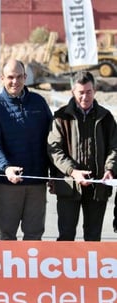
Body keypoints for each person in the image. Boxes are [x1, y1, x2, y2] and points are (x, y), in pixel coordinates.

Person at [0, 58, 52, 240]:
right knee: (7, 236)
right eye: (10, 77)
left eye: (19, 77)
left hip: (36, 181)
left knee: (34, 235)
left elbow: (52, 141)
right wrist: (6, 168)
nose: (15, 82)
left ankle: (31, 269)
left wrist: (54, 175)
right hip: (6, 183)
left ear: (25, 77)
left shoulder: (39, 102)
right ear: (2, 78)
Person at [47, 71, 117, 241]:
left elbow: (114, 147)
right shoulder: (61, 117)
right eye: (80, 92)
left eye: (88, 92)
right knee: (66, 236)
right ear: (73, 91)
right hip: (69, 187)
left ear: (95, 91)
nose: (85, 97)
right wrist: (73, 171)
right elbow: (54, 150)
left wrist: (110, 169)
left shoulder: (106, 117)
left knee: (93, 238)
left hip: (97, 189)